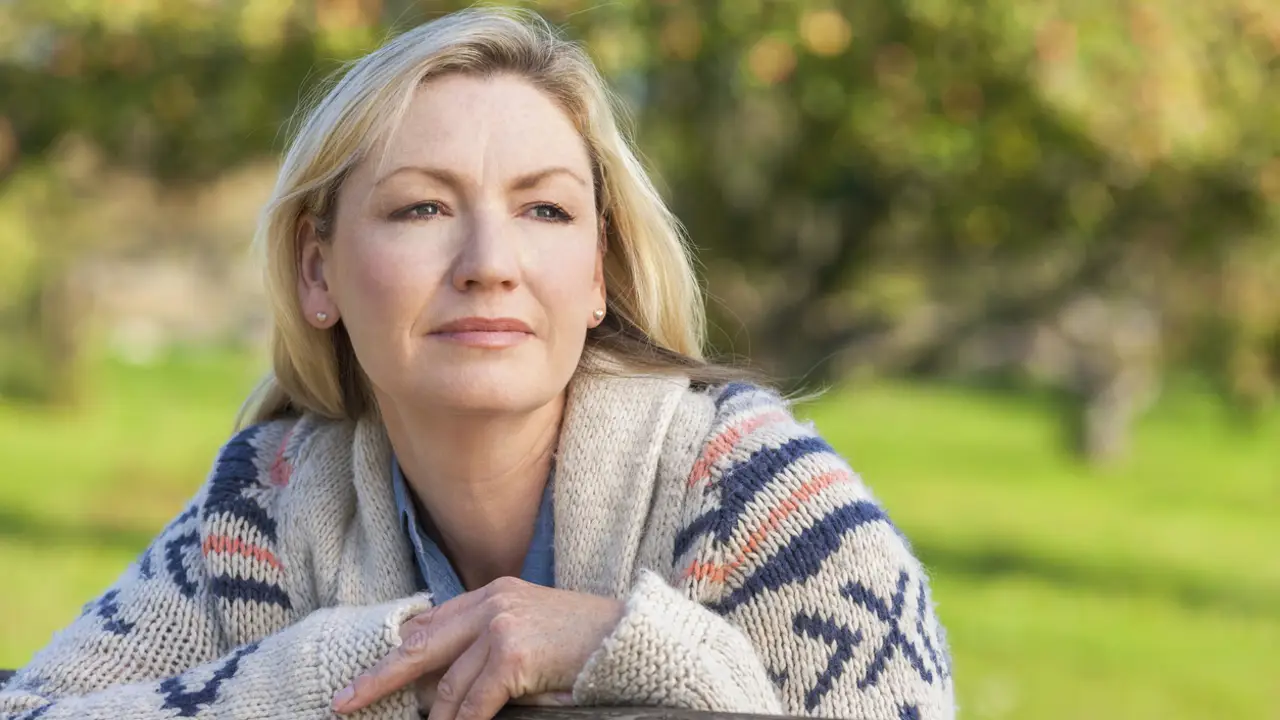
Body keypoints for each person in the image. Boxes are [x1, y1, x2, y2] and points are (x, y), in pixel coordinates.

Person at [0, 8, 954, 720]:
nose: (489, 264)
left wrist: (617, 646)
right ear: (316, 268)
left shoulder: (759, 499)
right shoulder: (270, 504)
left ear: (599, 275)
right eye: (422, 208)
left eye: (544, 211)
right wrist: (328, 667)